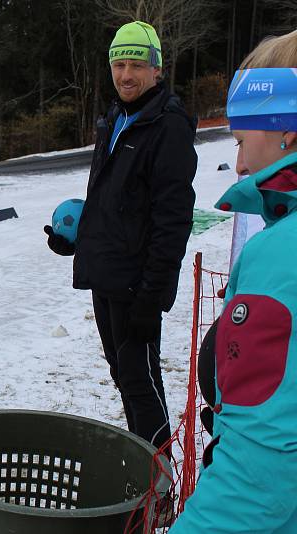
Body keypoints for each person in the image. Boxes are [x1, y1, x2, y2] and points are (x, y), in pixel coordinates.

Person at [44, 21, 197, 453]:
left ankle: (160, 484)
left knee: (140, 380)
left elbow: (173, 221)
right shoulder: (115, 117)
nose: (126, 74)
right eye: (118, 64)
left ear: (157, 69)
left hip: (138, 283)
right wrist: (75, 238)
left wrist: (153, 299)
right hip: (107, 272)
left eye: (135, 65)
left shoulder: (168, 127)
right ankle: (144, 467)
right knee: (123, 375)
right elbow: (112, 199)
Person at [170, 29, 297, 533]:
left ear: (287, 129)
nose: (240, 164)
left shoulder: (281, 255)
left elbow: (261, 469)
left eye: (242, 141)